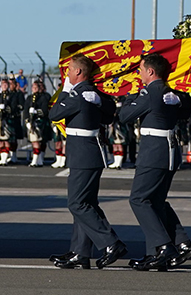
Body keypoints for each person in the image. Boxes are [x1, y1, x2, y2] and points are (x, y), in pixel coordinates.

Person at [117, 54, 191, 271]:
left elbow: (125, 116)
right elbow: (187, 109)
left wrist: (130, 96)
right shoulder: (170, 92)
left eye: (141, 69)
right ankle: (175, 245)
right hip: (168, 150)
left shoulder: (150, 92)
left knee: (139, 199)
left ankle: (163, 247)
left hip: (154, 152)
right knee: (156, 202)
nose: (139, 73)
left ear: (151, 71)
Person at [48, 54, 127, 270]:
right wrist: (100, 102)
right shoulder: (93, 93)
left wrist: (65, 91)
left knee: (77, 204)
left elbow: (54, 113)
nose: (67, 73)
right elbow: (109, 114)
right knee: (86, 204)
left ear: (78, 72)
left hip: (84, 155)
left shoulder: (78, 94)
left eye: (69, 69)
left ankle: (111, 243)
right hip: (89, 153)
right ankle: (80, 252)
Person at [25, 79, 53, 167]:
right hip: (31, 122)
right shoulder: (29, 98)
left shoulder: (44, 97)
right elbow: (26, 110)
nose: (34, 89)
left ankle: (36, 159)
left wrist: (36, 112)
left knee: (39, 141)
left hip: (40, 121)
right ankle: (37, 159)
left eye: (36, 87)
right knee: (34, 141)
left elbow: (45, 110)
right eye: (33, 87)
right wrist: (27, 121)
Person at [0, 77, 21, 166]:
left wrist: (8, 110)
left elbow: (14, 106)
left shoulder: (12, 96)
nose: (4, 86)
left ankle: (5, 159)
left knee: (6, 140)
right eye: (3, 85)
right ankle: (2, 158)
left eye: (6, 85)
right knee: (0, 140)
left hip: (8, 119)